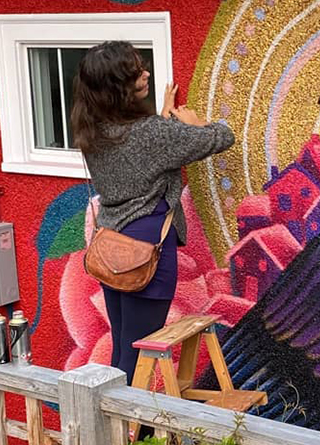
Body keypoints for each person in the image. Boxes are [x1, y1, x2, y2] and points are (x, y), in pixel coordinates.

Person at [71, 41, 234, 384]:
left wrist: (163, 121)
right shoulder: (151, 135)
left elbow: (142, 158)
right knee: (141, 353)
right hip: (148, 253)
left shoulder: (94, 128)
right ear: (119, 87)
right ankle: (130, 432)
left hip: (113, 247)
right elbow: (223, 137)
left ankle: (116, 429)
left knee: (122, 348)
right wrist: (195, 125)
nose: (146, 73)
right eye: (136, 73)